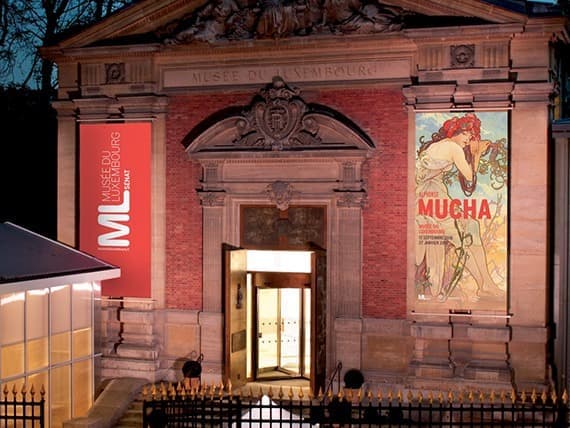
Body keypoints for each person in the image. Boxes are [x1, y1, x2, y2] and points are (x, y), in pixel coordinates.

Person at [415, 113, 504, 302]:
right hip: (427, 198)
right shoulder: (453, 147)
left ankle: (485, 284)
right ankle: (485, 285)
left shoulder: (438, 146)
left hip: (431, 195)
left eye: (471, 137)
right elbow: (470, 179)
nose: (468, 140)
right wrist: (476, 153)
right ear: (455, 132)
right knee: (465, 232)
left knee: (471, 226)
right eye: (466, 135)